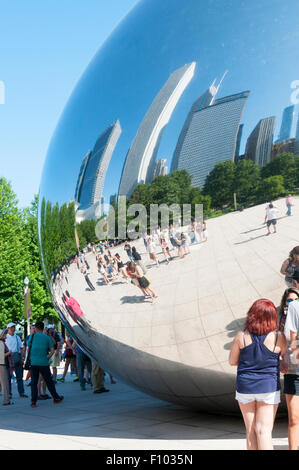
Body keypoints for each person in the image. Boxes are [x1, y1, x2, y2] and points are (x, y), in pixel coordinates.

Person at [229, 299, 286, 450]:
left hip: (245, 387)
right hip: (268, 386)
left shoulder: (241, 336)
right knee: (264, 431)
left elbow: (232, 361)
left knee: (251, 430)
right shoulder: (278, 337)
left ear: (252, 315)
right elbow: (282, 358)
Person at [278, 287, 299, 450]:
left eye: (295, 300)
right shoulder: (280, 322)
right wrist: (280, 359)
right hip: (293, 373)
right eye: (289, 300)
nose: (292, 303)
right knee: (294, 418)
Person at [27, 321, 63, 408]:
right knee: (49, 381)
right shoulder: (46, 337)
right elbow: (52, 351)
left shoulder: (31, 337)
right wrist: (47, 357)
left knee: (34, 382)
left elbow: (28, 350)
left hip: (33, 363)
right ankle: (56, 398)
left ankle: (33, 402)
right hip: (43, 362)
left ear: (35, 328)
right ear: (43, 328)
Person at [283, 270, 299, 449]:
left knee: (294, 419)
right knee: (294, 419)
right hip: (295, 369)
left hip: (296, 368)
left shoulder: (294, 307)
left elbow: (291, 336)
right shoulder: (294, 307)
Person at [5, 322, 27, 398]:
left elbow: (21, 348)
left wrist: (23, 358)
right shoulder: (5, 337)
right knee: (8, 377)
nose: (13, 329)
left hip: (17, 357)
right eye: (11, 327)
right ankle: (9, 394)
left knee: (19, 376)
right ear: (8, 329)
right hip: (8, 358)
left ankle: (21, 392)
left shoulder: (17, 337)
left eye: (13, 327)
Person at [0, 329, 13, 405]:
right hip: (2, 365)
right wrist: (9, 352)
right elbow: (1, 356)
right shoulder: (1, 343)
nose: (6, 336)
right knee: (5, 384)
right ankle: (6, 400)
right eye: (4, 334)